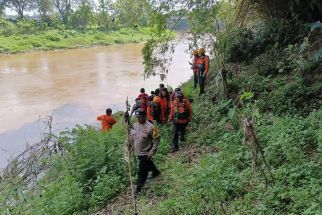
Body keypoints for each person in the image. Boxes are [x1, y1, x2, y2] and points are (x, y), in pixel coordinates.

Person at [127, 108, 161, 197]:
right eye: (137, 117)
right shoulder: (135, 125)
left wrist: (152, 151)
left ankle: (138, 187)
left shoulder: (151, 127)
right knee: (148, 164)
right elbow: (131, 137)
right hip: (138, 152)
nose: (139, 119)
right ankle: (156, 172)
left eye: (140, 117)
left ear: (145, 116)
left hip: (146, 153)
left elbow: (157, 139)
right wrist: (129, 147)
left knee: (142, 171)